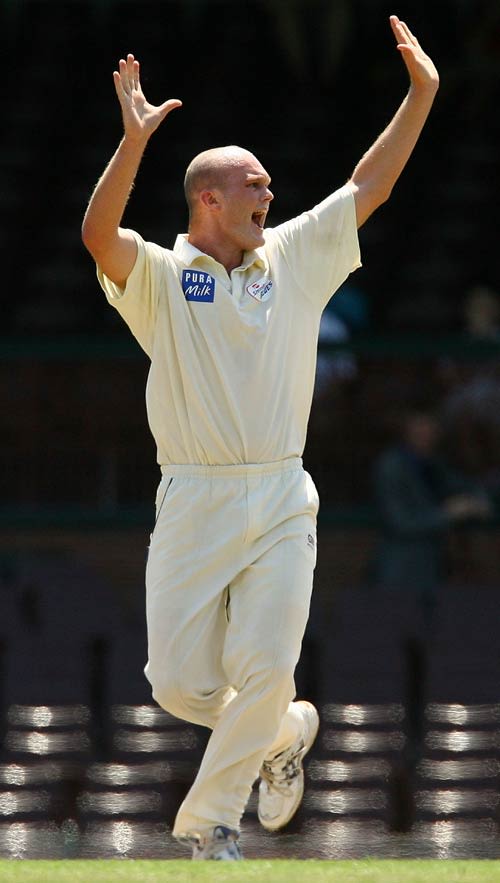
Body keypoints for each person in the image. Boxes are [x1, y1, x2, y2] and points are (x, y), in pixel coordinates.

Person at [82, 16, 439, 861]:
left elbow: (369, 186)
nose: (268, 197)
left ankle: (210, 826)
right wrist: (132, 144)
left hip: (282, 494)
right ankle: (283, 733)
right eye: (254, 185)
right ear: (208, 197)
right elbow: (100, 236)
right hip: (194, 494)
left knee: (269, 663)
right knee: (176, 683)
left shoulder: (295, 256)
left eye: (270, 187)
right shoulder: (165, 278)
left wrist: (421, 93)